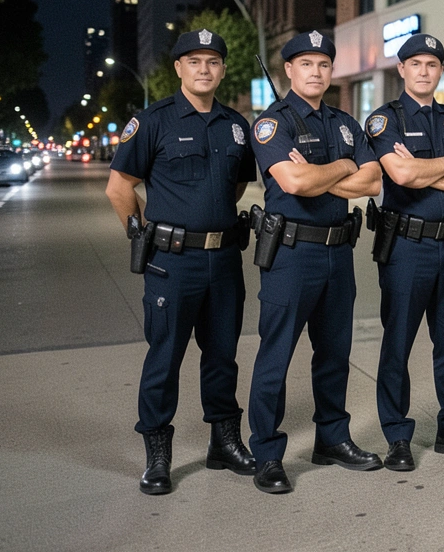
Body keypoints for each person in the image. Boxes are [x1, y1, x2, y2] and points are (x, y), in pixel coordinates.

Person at [105, 28, 258, 495]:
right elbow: (119, 188)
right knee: (164, 358)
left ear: (223, 70)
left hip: (224, 260)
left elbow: (236, 185)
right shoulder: (153, 121)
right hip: (172, 263)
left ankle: (224, 442)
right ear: (178, 68)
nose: (204, 69)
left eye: (213, 61)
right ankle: (157, 454)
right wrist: (142, 235)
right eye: (194, 61)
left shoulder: (236, 125)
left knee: (223, 356)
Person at [245, 30, 383, 494]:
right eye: (306, 64)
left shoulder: (344, 123)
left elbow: (372, 182)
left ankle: (332, 439)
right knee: (276, 356)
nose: (316, 72)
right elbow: (295, 183)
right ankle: (267, 453)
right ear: (288, 70)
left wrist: (321, 173)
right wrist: (344, 166)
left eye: (323, 64)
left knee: (334, 353)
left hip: (338, 253)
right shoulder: (271, 123)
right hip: (291, 254)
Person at [366, 33, 444, 471]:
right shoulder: (385, 120)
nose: (424, 71)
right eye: (415, 64)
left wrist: (426, 169)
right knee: (397, 346)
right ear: (401, 70)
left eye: (432, 64)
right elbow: (400, 175)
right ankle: (397, 436)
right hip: (406, 246)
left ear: (441, 70)